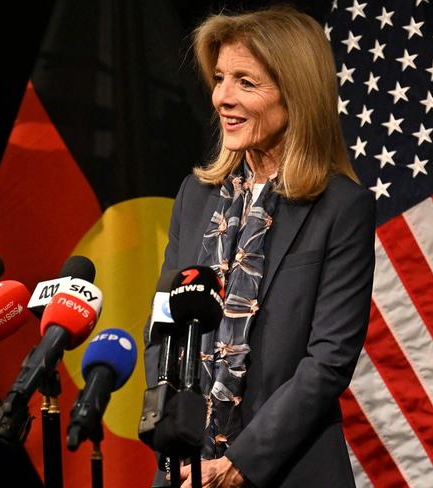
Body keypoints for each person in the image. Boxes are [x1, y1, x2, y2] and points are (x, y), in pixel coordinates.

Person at [144, 6, 375, 488]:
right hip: (187, 469)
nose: (221, 97)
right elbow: (164, 324)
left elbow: (328, 362)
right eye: (221, 78)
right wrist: (174, 438)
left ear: (296, 95)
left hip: (286, 469)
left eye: (246, 82)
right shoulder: (196, 195)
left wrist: (237, 465)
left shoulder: (340, 208)